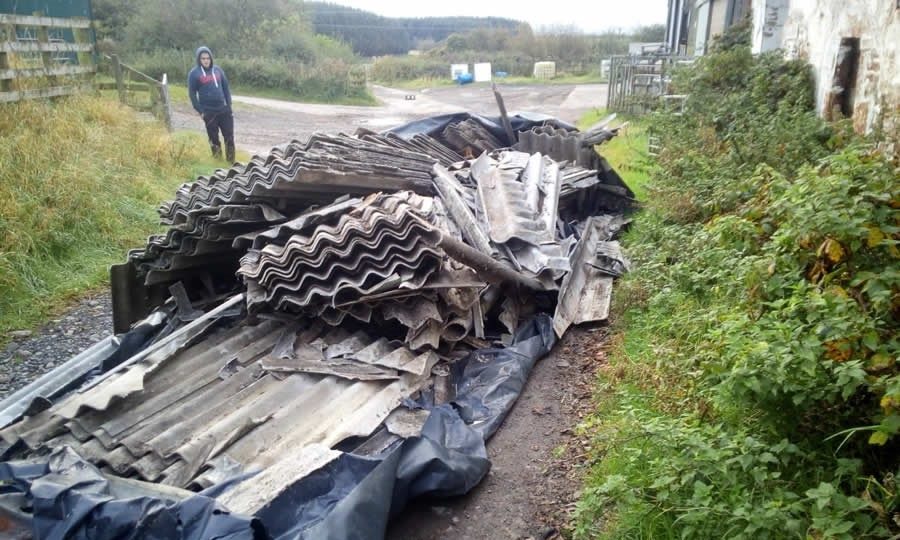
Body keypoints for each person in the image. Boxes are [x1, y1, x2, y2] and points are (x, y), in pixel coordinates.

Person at [188, 46, 235, 162]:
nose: (206, 60)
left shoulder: (218, 70)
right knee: (214, 139)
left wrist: (229, 106)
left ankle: (231, 163)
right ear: (199, 59)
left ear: (211, 58)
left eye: (208, 58)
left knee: (229, 137)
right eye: (203, 58)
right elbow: (192, 94)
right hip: (209, 112)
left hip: (224, 110)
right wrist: (201, 112)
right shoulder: (194, 74)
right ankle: (218, 163)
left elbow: (226, 89)